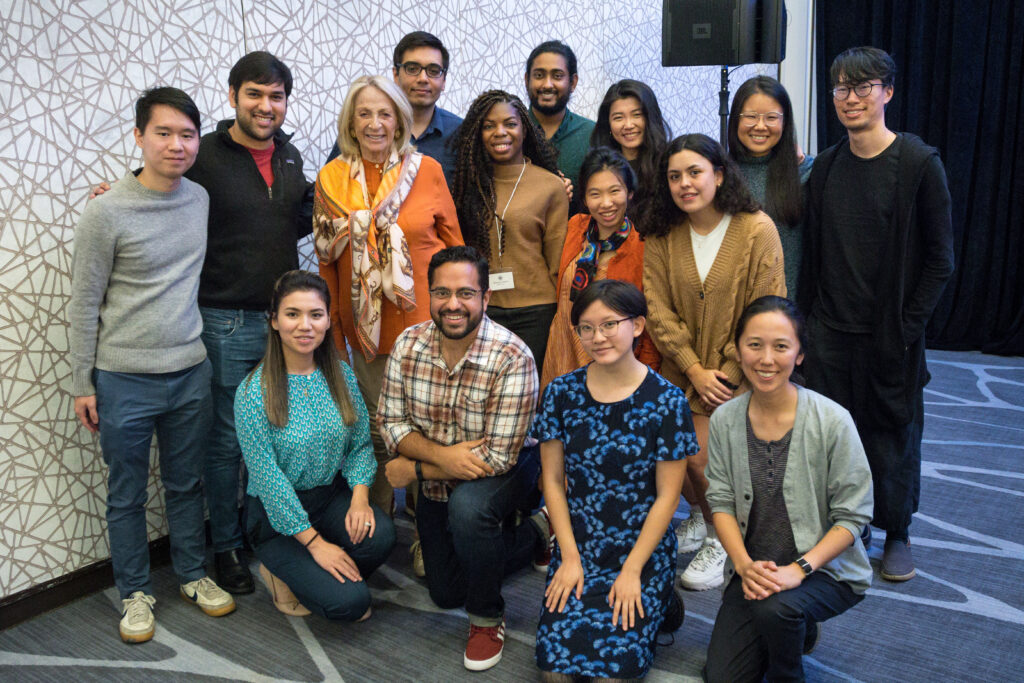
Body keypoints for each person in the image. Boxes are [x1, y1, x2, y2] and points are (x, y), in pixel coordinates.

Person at [90, 52, 315, 595]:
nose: (266, 106)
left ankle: (270, 534)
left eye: (277, 95)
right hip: (223, 323)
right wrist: (112, 193)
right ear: (234, 95)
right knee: (225, 444)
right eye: (255, 94)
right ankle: (227, 546)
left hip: (281, 325)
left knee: (278, 434)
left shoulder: (290, 157)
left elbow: (306, 215)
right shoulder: (207, 156)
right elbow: (155, 188)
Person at [70, 87, 235, 643]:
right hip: (122, 378)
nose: (176, 144)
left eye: (187, 134)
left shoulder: (200, 200)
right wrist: (81, 383)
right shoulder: (106, 211)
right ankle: (134, 592)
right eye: (162, 133)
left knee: (188, 484)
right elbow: (84, 303)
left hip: (190, 368)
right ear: (139, 136)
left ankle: (191, 574)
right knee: (127, 490)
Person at [798, 47, 954, 582]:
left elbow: (941, 260)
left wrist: (907, 328)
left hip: (892, 334)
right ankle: (851, 528)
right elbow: (814, 255)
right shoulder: (826, 169)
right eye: (841, 87)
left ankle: (898, 533)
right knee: (837, 437)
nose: (850, 98)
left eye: (863, 86)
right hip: (830, 331)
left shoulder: (917, 164)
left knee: (892, 435)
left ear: (888, 91)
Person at [379, 246, 550, 672]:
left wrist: (415, 467)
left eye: (465, 293)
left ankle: (487, 617)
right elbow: (390, 422)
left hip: (511, 468)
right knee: (444, 590)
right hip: (444, 473)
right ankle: (535, 532)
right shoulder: (408, 344)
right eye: (441, 293)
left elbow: (497, 455)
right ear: (429, 294)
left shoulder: (512, 356)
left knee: (469, 509)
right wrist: (441, 459)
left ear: (485, 298)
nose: (453, 304)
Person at [641, 133, 785, 592]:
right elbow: (656, 309)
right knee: (666, 454)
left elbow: (765, 308)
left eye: (695, 172)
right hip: (681, 372)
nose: (685, 184)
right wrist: (692, 368)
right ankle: (704, 521)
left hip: (738, 374)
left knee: (699, 458)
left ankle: (726, 537)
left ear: (719, 175)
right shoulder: (663, 234)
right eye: (675, 176)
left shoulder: (756, 229)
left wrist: (722, 372)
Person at [314, 75, 463, 516]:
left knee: (428, 426)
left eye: (385, 113)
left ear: (400, 121)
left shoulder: (428, 171)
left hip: (426, 325)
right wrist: (334, 333)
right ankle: (379, 518)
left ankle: (427, 524)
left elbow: (454, 248)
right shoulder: (331, 177)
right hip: (364, 328)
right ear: (351, 122)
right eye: (365, 114)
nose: (375, 123)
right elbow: (326, 260)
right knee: (376, 427)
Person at [703, 296, 873, 682]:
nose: (766, 359)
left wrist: (799, 570)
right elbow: (720, 502)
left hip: (824, 570)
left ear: (799, 355)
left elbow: (854, 515)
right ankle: (794, 623)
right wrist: (744, 566)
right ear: (737, 349)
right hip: (756, 569)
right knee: (721, 678)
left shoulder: (832, 421)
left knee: (776, 611)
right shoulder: (727, 419)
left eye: (781, 347)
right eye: (754, 344)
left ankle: (788, 664)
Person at [534, 280, 697, 681]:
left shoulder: (667, 400)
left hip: (640, 548)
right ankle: (657, 608)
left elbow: (668, 498)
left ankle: (658, 597)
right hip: (581, 542)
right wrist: (568, 556)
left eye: (609, 324)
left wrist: (632, 570)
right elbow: (553, 482)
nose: (596, 337)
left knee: (612, 673)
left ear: (638, 325)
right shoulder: (561, 393)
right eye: (586, 328)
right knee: (554, 668)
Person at [235, 271, 396, 622]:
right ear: (274, 321)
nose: (304, 325)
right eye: (292, 314)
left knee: (381, 536)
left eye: (316, 314)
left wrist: (359, 498)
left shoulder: (342, 375)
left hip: (329, 497)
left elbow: (360, 445)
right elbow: (269, 482)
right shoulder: (252, 393)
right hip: (277, 517)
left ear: (326, 321)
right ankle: (279, 570)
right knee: (350, 605)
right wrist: (316, 545)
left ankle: (317, 570)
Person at [448, 90, 568, 372]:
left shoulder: (550, 185)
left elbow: (557, 263)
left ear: (524, 129)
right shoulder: (468, 184)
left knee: (529, 395)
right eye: (489, 126)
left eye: (510, 124)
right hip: (482, 309)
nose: (499, 132)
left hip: (537, 311)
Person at [541, 146, 659, 388]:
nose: (606, 203)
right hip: (562, 351)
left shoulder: (642, 246)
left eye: (615, 191)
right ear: (584, 198)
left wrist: (645, 377)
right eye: (595, 194)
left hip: (612, 363)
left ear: (630, 193)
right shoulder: (575, 227)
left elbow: (648, 324)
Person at [326, 31, 462, 186]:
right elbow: (328, 188)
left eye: (433, 71)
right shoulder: (369, 129)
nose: (423, 78)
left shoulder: (462, 133)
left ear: (444, 80)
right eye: (412, 68)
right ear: (396, 74)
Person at [728, 76, 813, 299]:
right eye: (751, 117)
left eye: (771, 118)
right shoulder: (719, 175)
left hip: (789, 311)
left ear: (785, 123)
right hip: (733, 311)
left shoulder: (806, 172)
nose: (760, 126)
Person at [525, 40, 596, 213]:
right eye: (539, 75)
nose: (547, 84)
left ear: (573, 82)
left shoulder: (592, 134)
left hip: (580, 238)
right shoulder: (512, 133)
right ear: (527, 80)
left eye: (557, 76)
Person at [590, 79, 672, 220]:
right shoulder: (599, 166)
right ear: (608, 124)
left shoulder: (669, 163)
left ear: (650, 118)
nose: (628, 125)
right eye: (618, 117)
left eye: (636, 115)